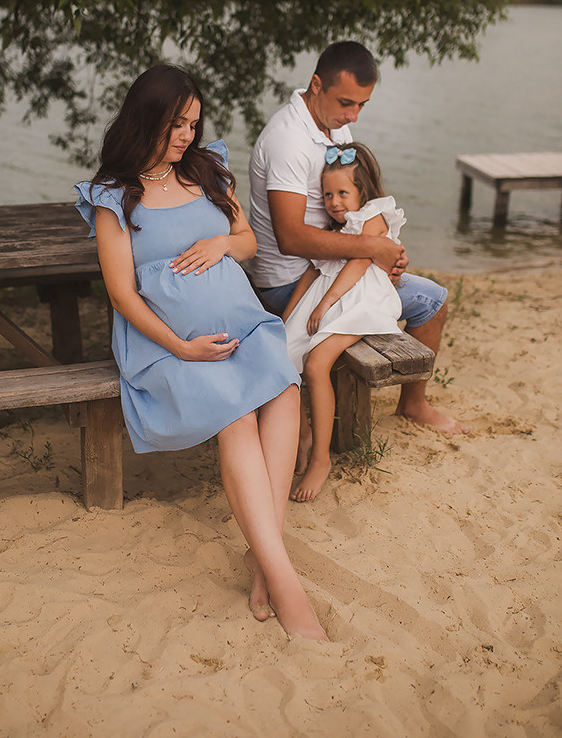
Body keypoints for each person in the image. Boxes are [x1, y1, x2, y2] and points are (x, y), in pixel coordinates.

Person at [75, 63, 326, 640]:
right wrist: (181, 348)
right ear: (147, 119)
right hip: (167, 343)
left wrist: (221, 242)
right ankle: (284, 581)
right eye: (175, 124)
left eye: (192, 122)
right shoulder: (114, 196)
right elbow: (121, 293)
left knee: (284, 392)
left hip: (241, 323)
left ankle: (265, 559)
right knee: (236, 415)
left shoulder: (208, 169)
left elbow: (248, 242)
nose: (186, 135)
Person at [248, 40, 468, 472]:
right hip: (290, 280)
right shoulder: (288, 140)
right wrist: (372, 248)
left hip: (329, 267)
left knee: (416, 290)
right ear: (316, 85)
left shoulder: (335, 130)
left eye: (362, 105)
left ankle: (411, 405)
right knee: (434, 300)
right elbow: (291, 237)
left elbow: (358, 207)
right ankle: (412, 405)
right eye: (346, 102)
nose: (353, 116)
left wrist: (384, 250)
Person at [282, 142, 405, 501]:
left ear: (362, 190)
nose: (334, 201)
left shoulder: (374, 214)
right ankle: (303, 432)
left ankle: (321, 458)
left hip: (359, 299)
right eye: (328, 194)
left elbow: (361, 260)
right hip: (326, 298)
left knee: (317, 363)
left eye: (342, 193)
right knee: (282, 354)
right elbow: (311, 270)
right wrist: (286, 317)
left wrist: (326, 302)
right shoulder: (333, 230)